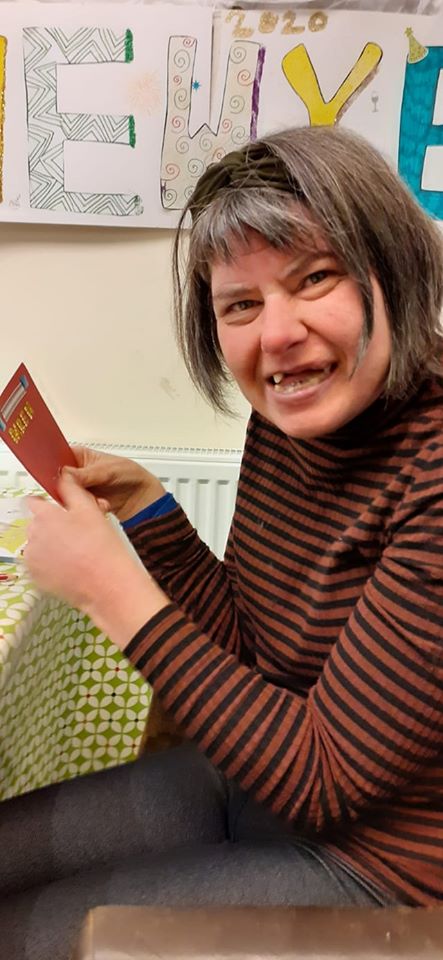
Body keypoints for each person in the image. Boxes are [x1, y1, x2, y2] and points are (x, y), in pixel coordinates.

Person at [1, 125, 442, 959]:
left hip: (383, 870)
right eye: (240, 304)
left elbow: (322, 779)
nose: (275, 335)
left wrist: (110, 590)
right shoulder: (288, 419)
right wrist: (149, 515)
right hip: (262, 782)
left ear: (394, 273)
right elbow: (253, 651)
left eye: (314, 279)